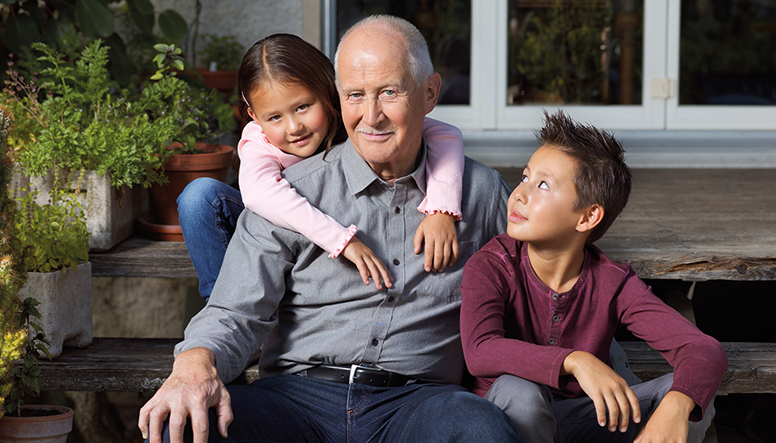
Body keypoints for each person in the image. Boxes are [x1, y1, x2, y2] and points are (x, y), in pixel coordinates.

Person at [139, 15, 522, 443]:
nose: (371, 116)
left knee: (481, 428)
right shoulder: (287, 196)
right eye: (355, 95)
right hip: (296, 398)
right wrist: (194, 364)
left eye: (389, 93)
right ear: (339, 98)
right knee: (192, 427)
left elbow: (537, 279)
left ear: (430, 93)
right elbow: (235, 311)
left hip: (421, 403)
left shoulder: (481, 193)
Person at [460, 110, 728, 443]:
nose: (520, 194)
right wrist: (574, 360)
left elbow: (703, 349)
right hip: (510, 420)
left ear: (588, 217)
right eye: (525, 176)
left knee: (689, 394)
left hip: (589, 419)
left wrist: (676, 405)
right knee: (523, 393)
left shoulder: (612, 282)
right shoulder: (491, 265)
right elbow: (480, 350)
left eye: (542, 184)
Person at [178, 33, 466, 300]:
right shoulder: (258, 139)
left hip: (343, 218)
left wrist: (441, 209)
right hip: (273, 228)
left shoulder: (353, 120)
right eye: (275, 117)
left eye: (303, 107)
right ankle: (225, 309)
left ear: (329, 93)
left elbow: (445, 133)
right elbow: (256, 194)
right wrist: (341, 240)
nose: (294, 127)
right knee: (198, 196)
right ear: (254, 116)